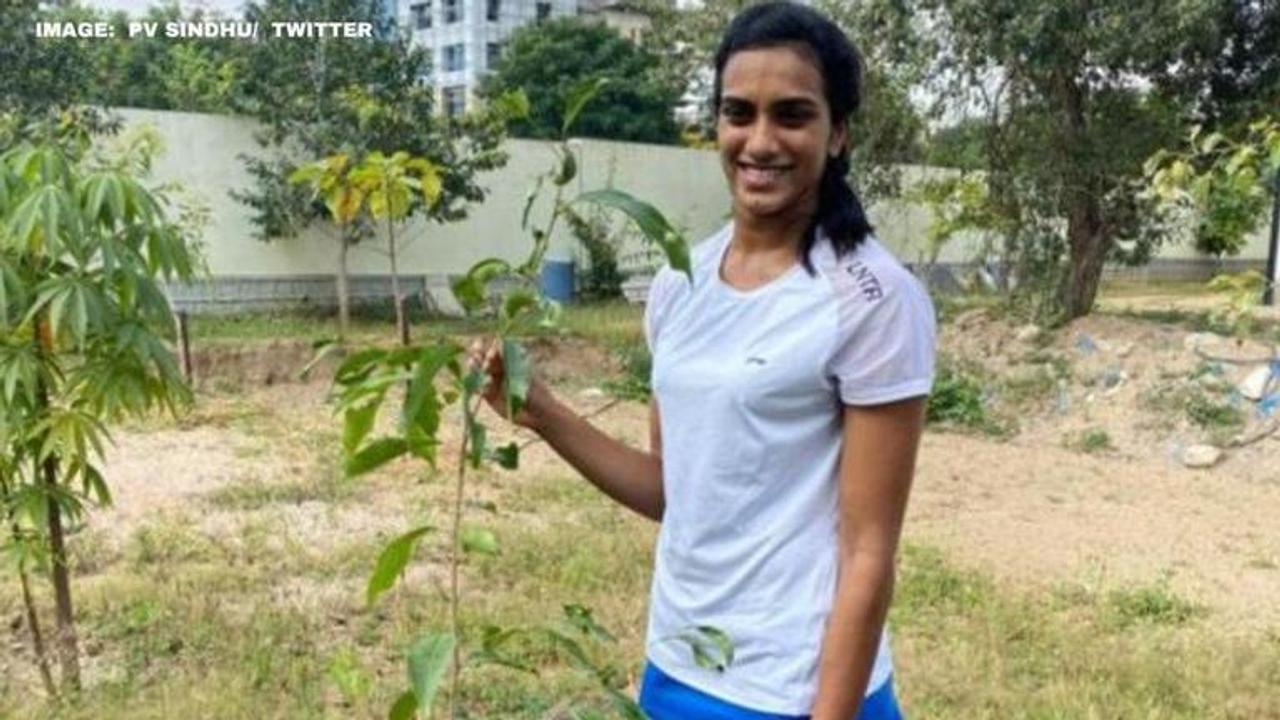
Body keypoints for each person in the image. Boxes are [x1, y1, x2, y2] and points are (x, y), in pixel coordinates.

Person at [470, 3, 936, 718]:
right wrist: (541, 412)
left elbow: (868, 551)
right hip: (679, 665)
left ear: (837, 133)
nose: (759, 140)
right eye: (738, 113)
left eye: (792, 115)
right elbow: (672, 493)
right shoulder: (678, 282)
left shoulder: (872, 299)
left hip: (798, 690)